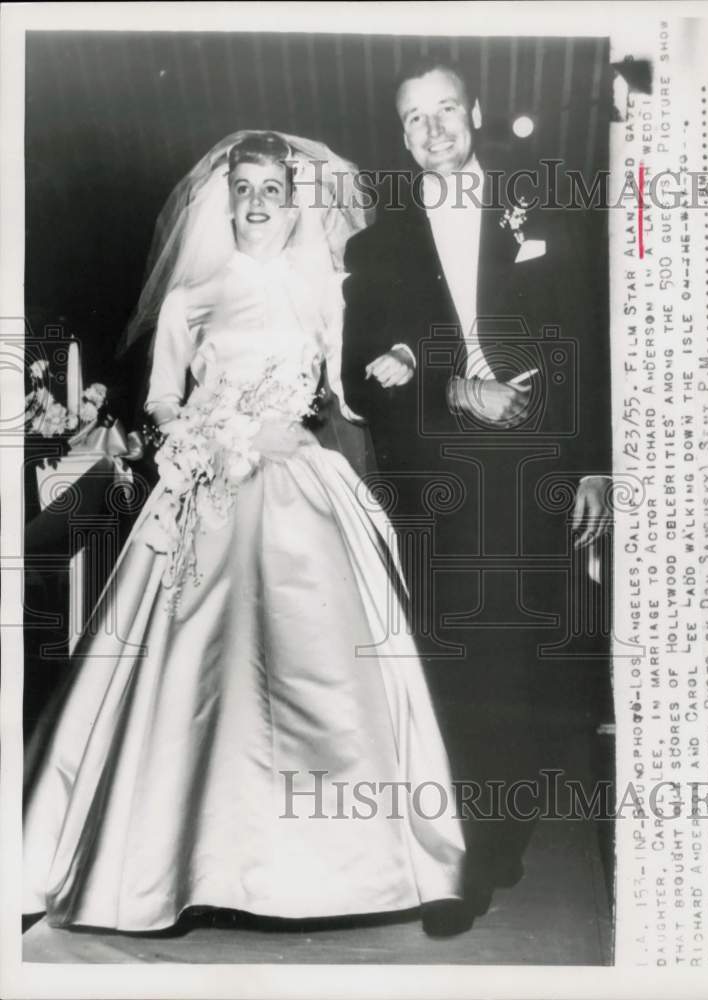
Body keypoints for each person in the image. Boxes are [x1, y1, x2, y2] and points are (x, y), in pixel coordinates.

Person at [23, 131, 466, 936]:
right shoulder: (194, 293)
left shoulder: (331, 287)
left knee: (327, 666)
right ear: (224, 197)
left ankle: (365, 867)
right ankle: (178, 864)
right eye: (245, 187)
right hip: (210, 487)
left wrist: (400, 368)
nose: (258, 202)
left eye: (272, 188)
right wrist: (204, 433)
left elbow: (347, 393)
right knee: (195, 672)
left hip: (301, 479)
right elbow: (162, 401)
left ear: (296, 200)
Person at [341, 59, 613, 896]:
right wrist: (454, 386)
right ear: (400, 136)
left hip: (539, 476)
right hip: (440, 488)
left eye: (445, 110)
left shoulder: (548, 211)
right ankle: (477, 854)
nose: (432, 131)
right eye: (413, 119)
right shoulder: (375, 244)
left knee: (529, 664)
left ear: (476, 112)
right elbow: (358, 378)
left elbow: (594, 339)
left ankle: (508, 818)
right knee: (461, 665)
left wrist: (597, 463)